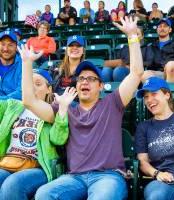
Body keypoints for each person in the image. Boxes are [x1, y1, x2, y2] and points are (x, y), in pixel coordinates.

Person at [21, 16, 144, 200]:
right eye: (81, 79)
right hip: (74, 178)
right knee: (44, 195)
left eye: (91, 78)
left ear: (101, 86)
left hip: (107, 176)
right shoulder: (66, 108)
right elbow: (29, 101)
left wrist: (132, 37)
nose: (84, 81)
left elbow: (136, 73)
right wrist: (27, 63)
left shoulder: (113, 103)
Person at [0, 55, 73, 200]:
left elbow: (59, 140)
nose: (32, 88)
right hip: (8, 161)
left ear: (49, 89)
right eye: (29, 83)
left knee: (12, 185)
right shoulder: (12, 106)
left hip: (38, 166)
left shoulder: (51, 111)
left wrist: (62, 113)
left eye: (38, 84)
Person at [135, 76, 174, 200]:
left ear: (167, 95)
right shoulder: (144, 127)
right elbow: (143, 162)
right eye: (146, 97)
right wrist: (157, 173)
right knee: (156, 197)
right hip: (163, 181)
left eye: (154, 94)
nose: (149, 100)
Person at [142, 18, 174, 83]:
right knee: (144, 74)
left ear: (170, 30)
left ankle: (170, 91)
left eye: (165, 26)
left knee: (171, 65)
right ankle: (158, 92)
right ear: (157, 30)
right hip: (160, 73)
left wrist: (167, 63)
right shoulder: (151, 46)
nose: (162, 28)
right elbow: (146, 62)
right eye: (160, 26)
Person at [0, 30, 22, 100]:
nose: (6, 49)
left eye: (10, 45)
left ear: (16, 47)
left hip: (16, 108)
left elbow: (21, 92)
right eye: (3, 44)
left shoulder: (24, 64)